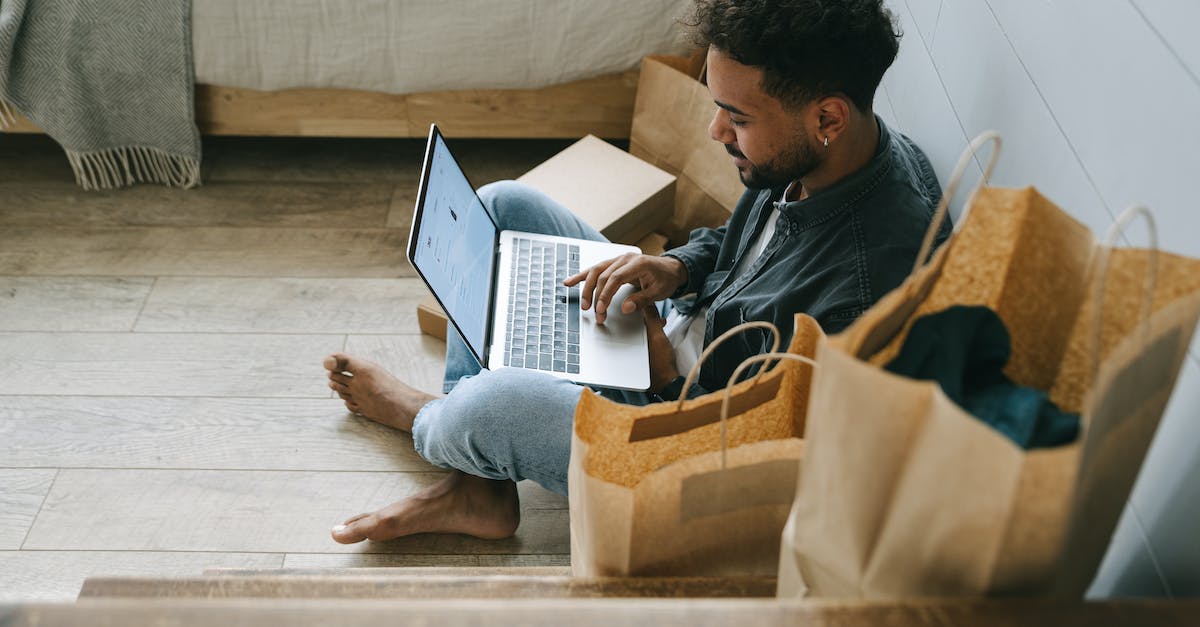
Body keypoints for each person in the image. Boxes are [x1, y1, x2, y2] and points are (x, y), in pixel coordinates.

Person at [324, 0, 946, 544]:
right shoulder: (831, 154)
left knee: (488, 408)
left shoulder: (861, 297)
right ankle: (480, 483)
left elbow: (748, 454)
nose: (715, 129)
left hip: (680, 431)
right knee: (503, 208)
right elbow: (745, 240)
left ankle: (431, 422)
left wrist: (663, 377)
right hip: (681, 330)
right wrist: (676, 267)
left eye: (738, 117)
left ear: (827, 118)